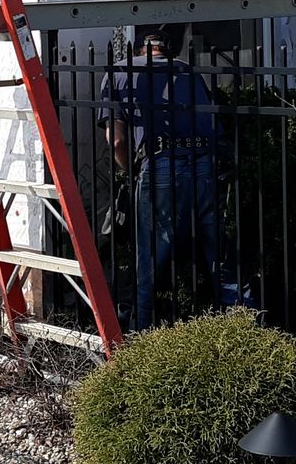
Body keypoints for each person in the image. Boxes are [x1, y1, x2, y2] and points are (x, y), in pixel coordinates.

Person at [98, 32, 241, 331]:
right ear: (168, 49)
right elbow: (214, 126)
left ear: (139, 49)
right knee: (221, 257)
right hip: (204, 162)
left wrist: (129, 172)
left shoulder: (120, 73)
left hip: (160, 163)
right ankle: (246, 329)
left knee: (148, 262)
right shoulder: (187, 70)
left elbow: (117, 141)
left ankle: (140, 339)